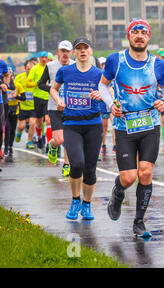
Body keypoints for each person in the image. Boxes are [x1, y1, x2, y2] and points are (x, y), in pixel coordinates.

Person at [99, 18, 164, 238]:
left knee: (146, 173)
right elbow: (103, 86)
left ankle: (139, 221)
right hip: (124, 126)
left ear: (148, 37)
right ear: (128, 35)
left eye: (144, 32)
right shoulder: (116, 60)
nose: (139, 35)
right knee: (129, 177)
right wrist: (111, 105)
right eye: (135, 31)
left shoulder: (158, 64)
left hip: (150, 124)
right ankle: (118, 190)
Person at [50, 37, 104, 221]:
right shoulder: (65, 71)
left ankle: (87, 205)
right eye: (78, 48)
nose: (82, 51)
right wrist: (59, 100)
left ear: (91, 51)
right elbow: (54, 89)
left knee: (90, 168)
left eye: (85, 48)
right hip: (72, 124)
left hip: (93, 125)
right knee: (77, 164)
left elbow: (110, 92)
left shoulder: (98, 73)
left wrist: (101, 94)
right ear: (74, 52)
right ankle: (75, 200)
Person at [38, 40, 74, 177]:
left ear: (71, 53)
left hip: (71, 107)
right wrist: (53, 89)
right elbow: (40, 84)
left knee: (69, 138)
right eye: (62, 51)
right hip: (54, 107)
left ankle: (66, 165)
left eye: (67, 51)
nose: (65, 54)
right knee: (59, 140)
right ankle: (52, 146)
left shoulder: (75, 65)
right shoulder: (51, 66)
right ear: (58, 52)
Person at [27, 51, 51, 150]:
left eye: (46, 57)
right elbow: (28, 83)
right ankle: (40, 136)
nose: (44, 59)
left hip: (48, 96)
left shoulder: (50, 67)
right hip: (38, 97)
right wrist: (38, 83)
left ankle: (49, 143)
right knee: (39, 121)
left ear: (48, 58)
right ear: (39, 59)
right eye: (42, 57)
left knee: (48, 120)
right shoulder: (34, 69)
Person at [14, 58, 38, 149]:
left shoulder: (36, 78)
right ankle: (19, 131)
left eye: (32, 69)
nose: (30, 70)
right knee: (22, 126)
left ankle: (29, 141)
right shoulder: (20, 77)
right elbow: (16, 88)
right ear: (25, 68)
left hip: (33, 106)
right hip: (22, 106)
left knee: (32, 123)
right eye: (28, 68)